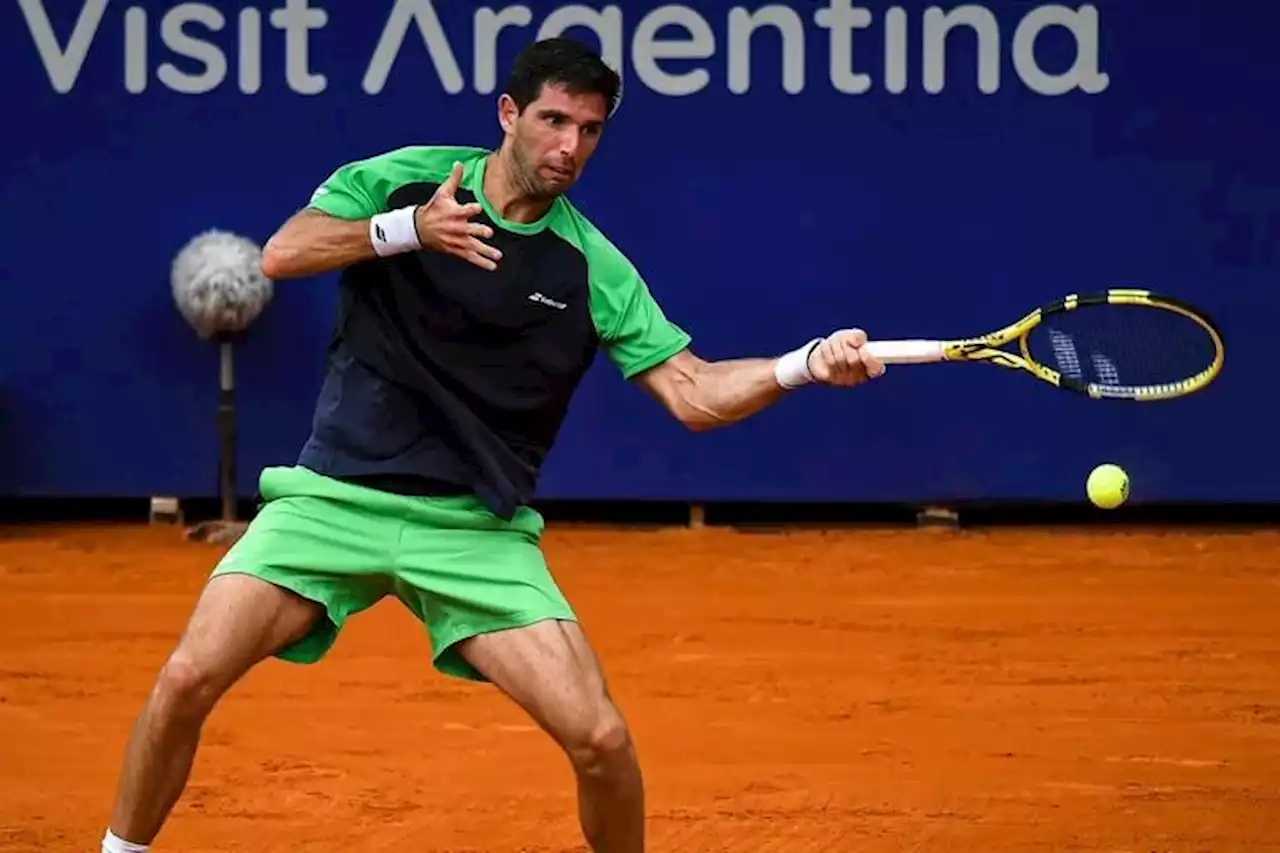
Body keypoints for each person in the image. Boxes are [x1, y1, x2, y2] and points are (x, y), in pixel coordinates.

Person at [100, 36, 885, 853]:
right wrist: (410, 229)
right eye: (553, 121)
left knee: (601, 739)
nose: (568, 147)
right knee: (188, 675)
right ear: (508, 114)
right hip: (331, 500)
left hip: (474, 532)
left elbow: (694, 393)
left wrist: (803, 365)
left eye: (589, 130)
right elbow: (284, 252)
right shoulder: (409, 178)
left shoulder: (592, 266)